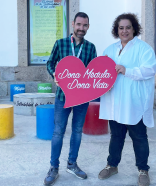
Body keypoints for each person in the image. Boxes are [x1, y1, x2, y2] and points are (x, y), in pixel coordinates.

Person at [98, 13, 156, 186]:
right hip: (114, 102)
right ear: (117, 30)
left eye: (128, 27)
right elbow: (102, 73)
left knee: (139, 137)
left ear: (134, 29)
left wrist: (127, 70)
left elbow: (149, 70)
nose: (124, 31)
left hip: (134, 103)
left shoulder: (143, 49)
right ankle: (112, 165)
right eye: (121, 28)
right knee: (116, 136)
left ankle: (143, 169)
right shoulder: (109, 50)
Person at [44, 12, 97, 186]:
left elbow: (93, 72)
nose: (81, 28)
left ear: (88, 27)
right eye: (79, 24)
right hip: (62, 97)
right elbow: (50, 63)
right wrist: (54, 75)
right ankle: (54, 167)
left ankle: (72, 164)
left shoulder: (90, 48)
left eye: (85, 25)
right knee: (58, 131)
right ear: (73, 24)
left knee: (77, 131)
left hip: (82, 98)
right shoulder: (61, 44)